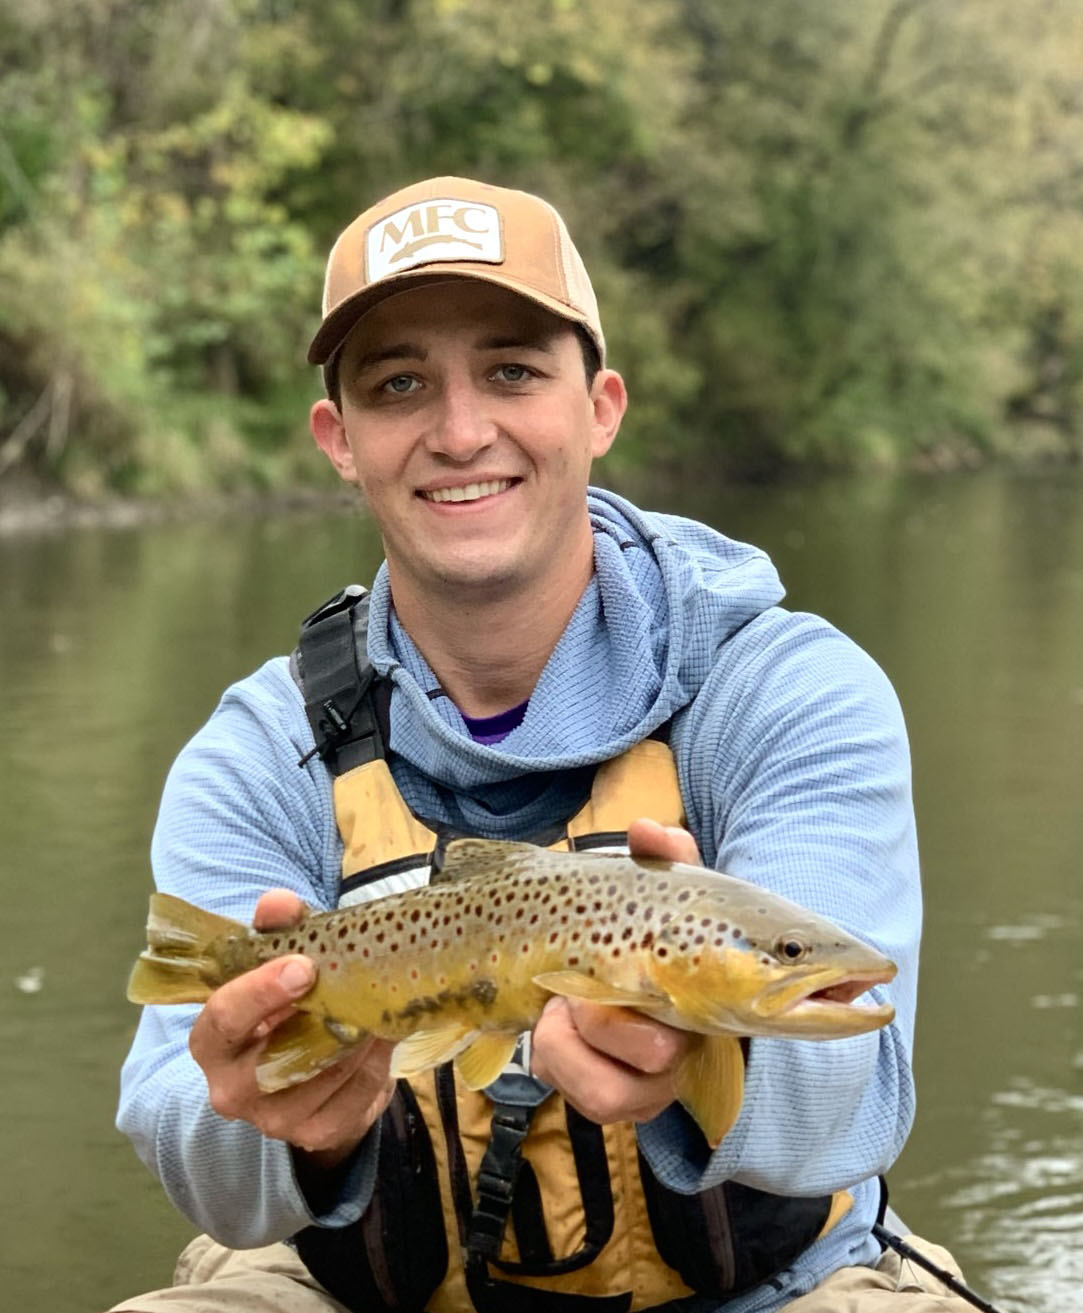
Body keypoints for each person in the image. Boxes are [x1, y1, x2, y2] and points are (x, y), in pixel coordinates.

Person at [111, 176, 970, 1313]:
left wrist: (702, 1064)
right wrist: (286, 1129)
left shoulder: (790, 690)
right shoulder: (258, 753)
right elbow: (195, 1149)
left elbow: (849, 1095)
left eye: (514, 370)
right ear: (340, 439)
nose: (463, 430)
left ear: (603, 405)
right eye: (399, 383)